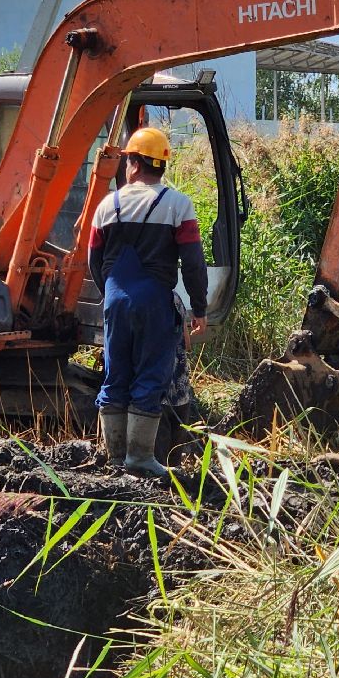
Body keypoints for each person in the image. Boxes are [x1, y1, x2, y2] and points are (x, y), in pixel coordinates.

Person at [89, 126, 208, 476]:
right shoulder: (177, 205)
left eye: (129, 160)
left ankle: (114, 458)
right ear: (160, 166)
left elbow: (95, 262)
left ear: (136, 164)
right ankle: (140, 458)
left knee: (115, 374)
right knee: (150, 375)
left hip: (115, 301)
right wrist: (198, 308)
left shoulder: (107, 205)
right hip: (155, 303)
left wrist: (112, 293)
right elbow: (194, 263)